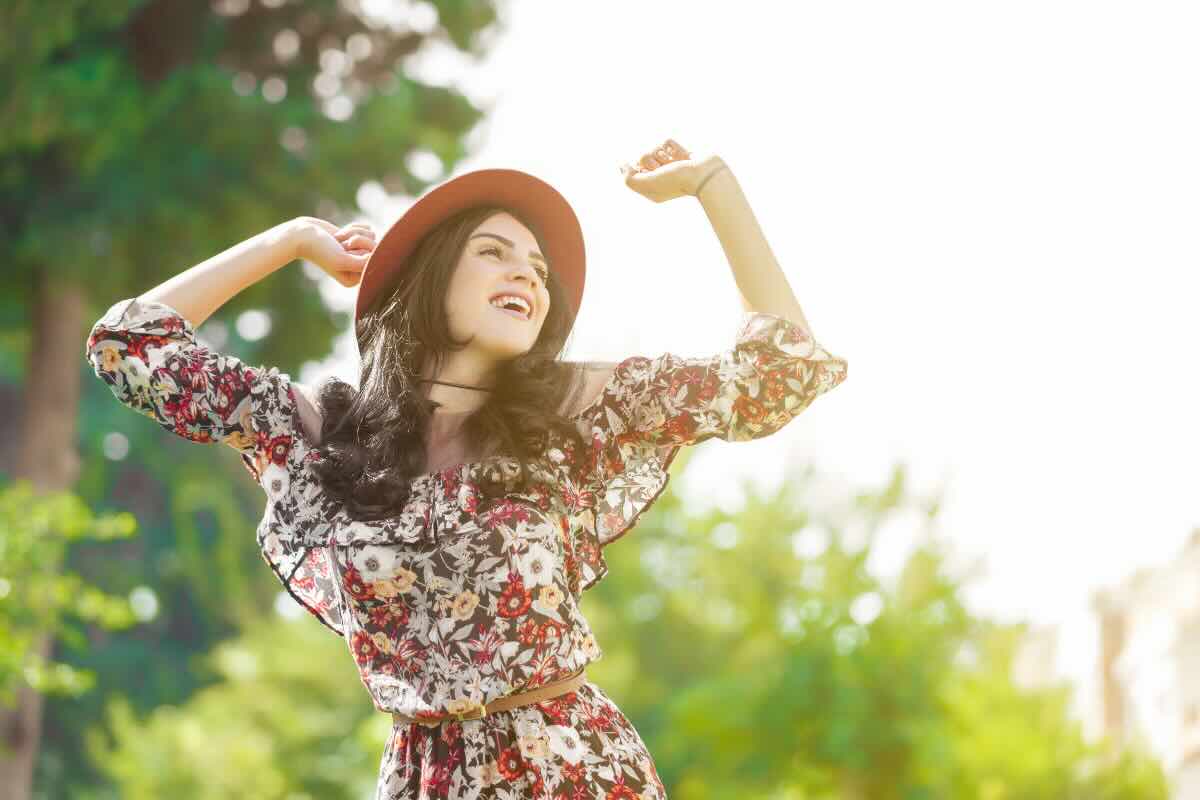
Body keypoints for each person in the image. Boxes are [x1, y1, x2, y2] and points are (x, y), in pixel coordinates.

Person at [84, 139, 848, 799]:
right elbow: (132, 346)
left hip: (570, 767)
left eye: (540, 270)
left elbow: (780, 373)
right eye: (494, 251)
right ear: (432, 274)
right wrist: (290, 241)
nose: (528, 276)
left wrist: (713, 184)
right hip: (424, 775)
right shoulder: (325, 434)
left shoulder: (571, 410)